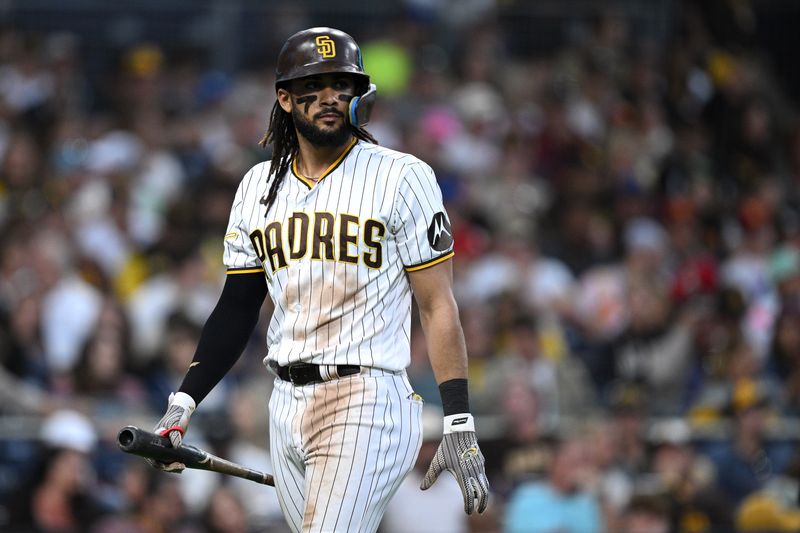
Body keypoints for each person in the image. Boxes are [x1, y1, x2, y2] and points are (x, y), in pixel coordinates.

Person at [149, 27, 489, 532]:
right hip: (284, 401)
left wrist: (458, 419)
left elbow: (438, 306)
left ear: (360, 95)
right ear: (284, 99)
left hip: (368, 395)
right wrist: (182, 404)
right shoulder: (257, 187)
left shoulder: (403, 176)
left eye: (342, 83)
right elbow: (237, 306)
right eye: (315, 84)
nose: (330, 96)